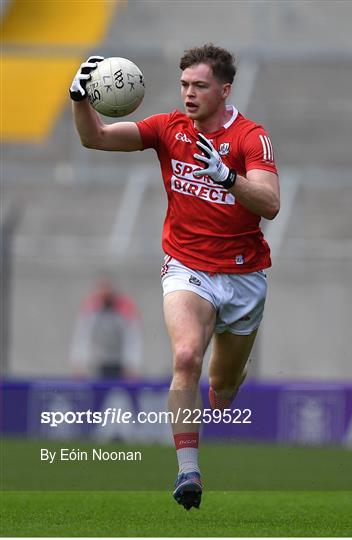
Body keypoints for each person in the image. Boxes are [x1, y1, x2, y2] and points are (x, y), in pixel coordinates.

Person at [69, 44, 280, 510]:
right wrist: (79, 98)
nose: (188, 94)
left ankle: (230, 373)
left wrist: (226, 176)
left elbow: (269, 203)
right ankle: (188, 473)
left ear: (224, 90)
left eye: (200, 86)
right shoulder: (168, 128)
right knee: (185, 356)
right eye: (184, 84)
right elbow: (96, 138)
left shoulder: (251, 137)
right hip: (186, 266)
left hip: (244, 275)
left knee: (221, 391)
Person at [70, 277, 142, 380]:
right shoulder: (91, 307)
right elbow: (82, 336)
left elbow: (132, 338)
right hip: (99, 362)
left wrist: (131, 363)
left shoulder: (125, 308)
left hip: (121, 362)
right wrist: (79, 361)